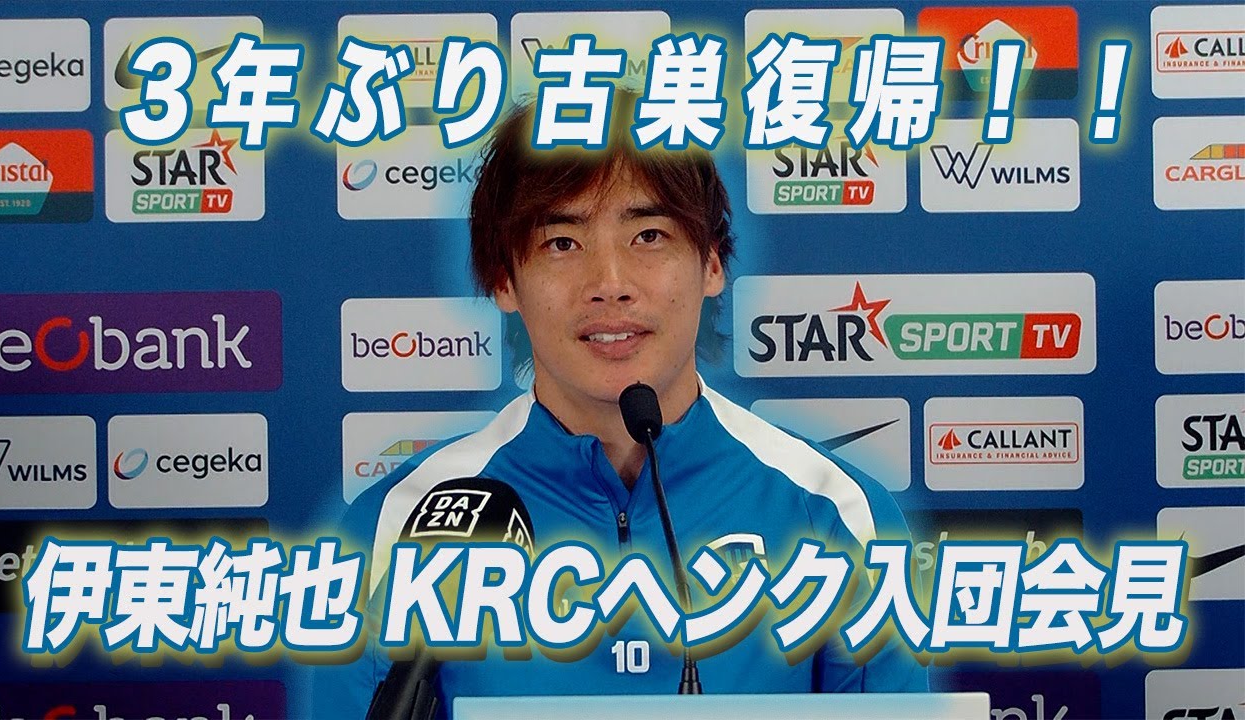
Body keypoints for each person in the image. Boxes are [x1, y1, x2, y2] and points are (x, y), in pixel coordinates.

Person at [312, 90, 927, 718]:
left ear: (712, 262)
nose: (609, 284)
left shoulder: (832, 513)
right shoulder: (401, 526)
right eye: (562, 242)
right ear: (504, 279)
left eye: (648, 235)